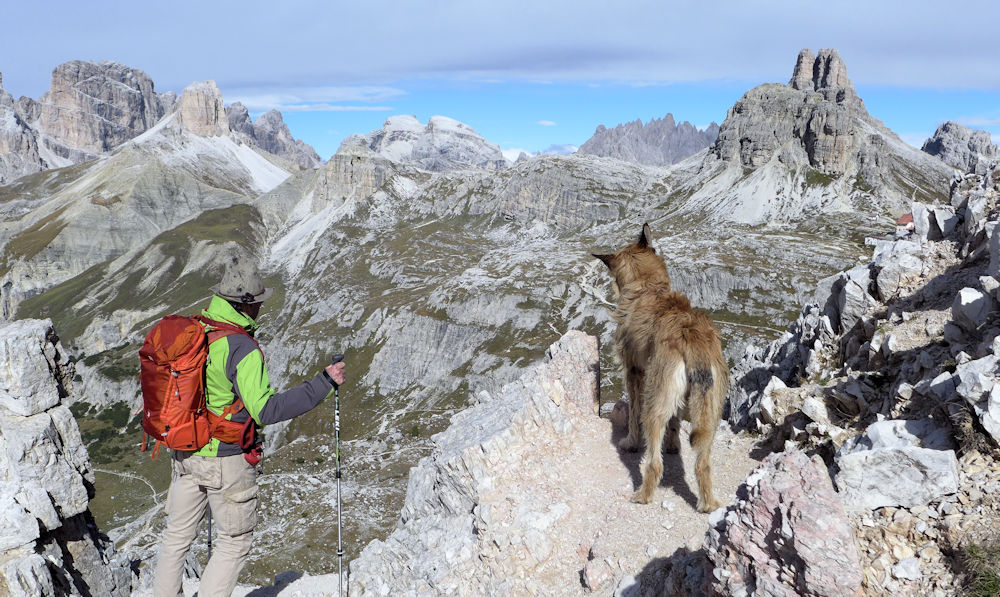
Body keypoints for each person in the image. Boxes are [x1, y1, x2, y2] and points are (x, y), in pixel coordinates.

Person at [153, 253, 346, 597]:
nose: (260, 309)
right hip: (225, 460)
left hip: (185, 452)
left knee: (176, 539)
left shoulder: (197, 330)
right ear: (246, 306)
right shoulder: (242, 347)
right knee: (233, 543)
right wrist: (323, 383)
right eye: (257, 304)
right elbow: (266, 410)